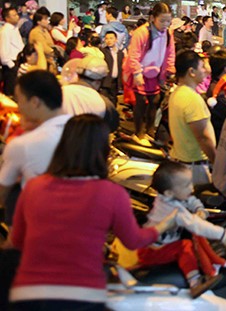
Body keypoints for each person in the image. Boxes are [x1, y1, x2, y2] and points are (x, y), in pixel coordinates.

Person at [7, 115, 176, 310]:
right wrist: (166, 223)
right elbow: (134, 240)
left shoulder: (33, 187)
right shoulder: (112, 193)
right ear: (102, 150)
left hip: (28, 294)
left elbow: (17, 241)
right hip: (82, 295)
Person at [137, 161, 226, 297]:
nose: (192, 188)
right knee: (186, 246)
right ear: (170, 192)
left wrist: (199, 209)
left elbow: (190, 199)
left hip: (154, 246)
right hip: (154, 251)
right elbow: (196, 224)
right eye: (187, 185)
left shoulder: (168, 197)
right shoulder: (174, 210)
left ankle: (211, 265)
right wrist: (221, 234)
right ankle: (195, 282)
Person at [0, 71, 70, 218]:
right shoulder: (82, 130)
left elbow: (2, 191)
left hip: (39, 221)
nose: (19, 107)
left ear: (35, 102)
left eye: (20, 100)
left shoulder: (23, 144)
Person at [123, 2, 175, 147]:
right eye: (162, 21)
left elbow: (170, 54)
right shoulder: (142, 32)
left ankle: (150, 131)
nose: (165, 24)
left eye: (168, 21)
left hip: (155, 73)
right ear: (152, 18)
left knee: (155, 101)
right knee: (140, 102)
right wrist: (137, 73)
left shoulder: (168, 34)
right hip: (139, 72)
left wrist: (169, 70)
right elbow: (134, 54)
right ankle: (138, 132)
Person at [168, 50, 216, 185]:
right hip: (194, 166)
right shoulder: (191, 99)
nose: (205, 71)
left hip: (181, 160)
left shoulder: (177, 93)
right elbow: (203, 137)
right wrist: (216, 161)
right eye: (202, 67)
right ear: (192, 72)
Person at [61, 55, 117, 128]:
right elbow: (112, 126)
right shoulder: (105, 104)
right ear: (98, 81)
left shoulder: (60, 91)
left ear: (77, 75)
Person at [0, 7, 24, 95]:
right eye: (14, 15)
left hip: (18, 63)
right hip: (11, 67)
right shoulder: (5, 31)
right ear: (7, 18)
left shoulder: (15, 29)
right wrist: (13, 67)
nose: (17, 16)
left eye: (17, 14)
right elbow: (3, 53)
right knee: (11, 93)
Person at [101, 31, 124, 103]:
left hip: (115, 81)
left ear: (116, 39)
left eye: (111, 38)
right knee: (104, 101)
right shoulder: (102, 51)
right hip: (105, 81)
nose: (109, 40)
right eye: (107, 38)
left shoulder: (120, 53)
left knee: (113, 101)